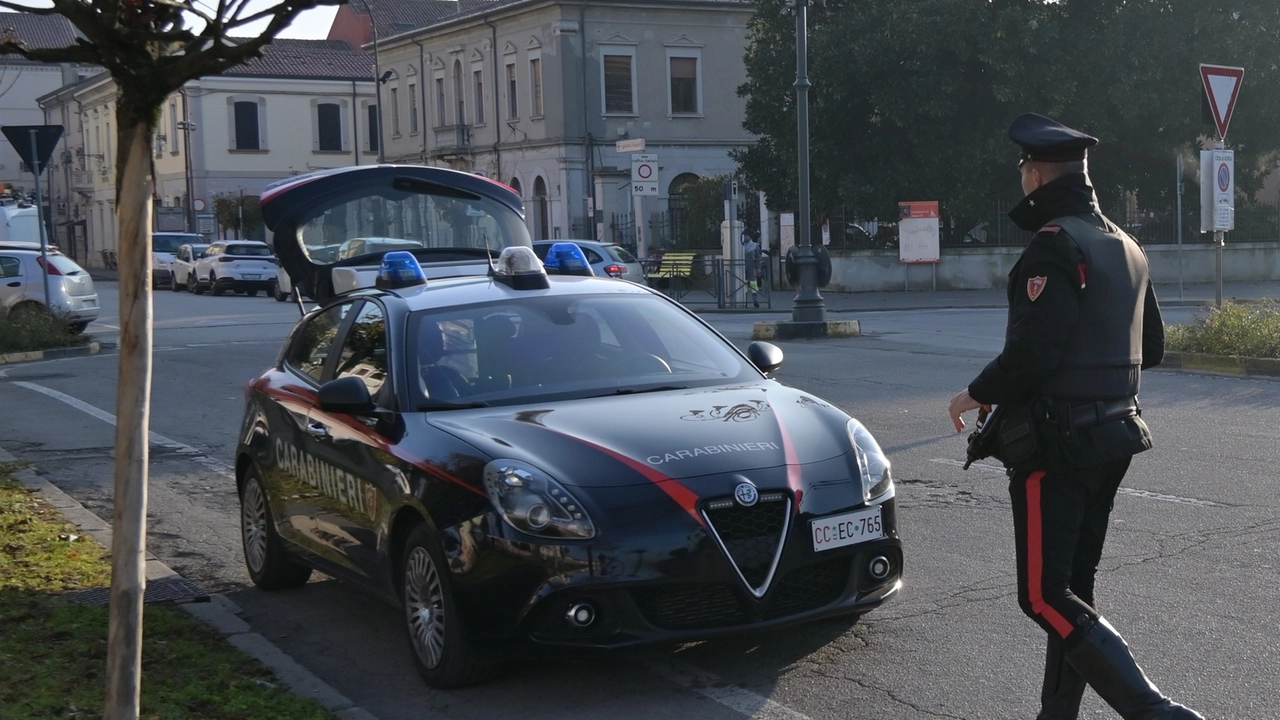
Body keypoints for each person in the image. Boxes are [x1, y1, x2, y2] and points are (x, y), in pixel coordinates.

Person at [947, 113, 1203, 720]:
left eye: (1023, 173)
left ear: (1034, 174)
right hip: (1115, 433)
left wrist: (973, 393)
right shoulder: (1125, 244)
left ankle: (1154, 711)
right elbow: (1156, 347)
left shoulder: (1054, 244)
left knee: (1041, 594)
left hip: (1056, 446)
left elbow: (1032, 354)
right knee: (1072, 591)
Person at [741, 230, 762, 308]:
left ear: (750, 236)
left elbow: (758, 258)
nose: (745, 237)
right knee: (744, 284)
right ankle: (744, 301)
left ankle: (755, 300)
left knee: (753, 284)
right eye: (744, 236)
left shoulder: (754, 245)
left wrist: (758, 268)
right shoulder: (742, 245)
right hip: (743, 267)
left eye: (746, 236)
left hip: (752, 267)